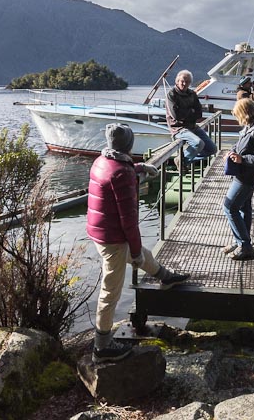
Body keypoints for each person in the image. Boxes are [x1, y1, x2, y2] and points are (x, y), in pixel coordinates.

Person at [86, 123, 190, 363]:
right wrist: (135, 252)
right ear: (128, 145)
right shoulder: (122, 173)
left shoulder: (101, 160)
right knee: (110, 291)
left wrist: (139, 167)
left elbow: (117, 170)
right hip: (113, 237)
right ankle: (101, 347)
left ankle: (165, 275)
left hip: (98, 230)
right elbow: (129, 222)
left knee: (140, 253)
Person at [221, 98, 254, 261]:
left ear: (245, 113)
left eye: (238, 115)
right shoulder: (250, 126)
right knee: (244, 208)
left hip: (247, 177)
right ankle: (240, 242)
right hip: (242, 173)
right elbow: (240, 145)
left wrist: (242, 159)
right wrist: (231, 153)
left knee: (229, 206)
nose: (238, 119)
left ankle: (245, 245)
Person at [166, 69, 217, 168]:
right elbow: (176, 116)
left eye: (188, 82)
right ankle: (183, 160)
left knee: (212, 149)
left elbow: (199, 113)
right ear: (177, 81)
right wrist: (191, 111)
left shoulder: (192, 94)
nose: (185, 84)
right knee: (198, 143)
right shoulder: (171, 95)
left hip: (193, 126)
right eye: (182, 81)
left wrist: (185, 112)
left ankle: (183, 160)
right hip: (178, 129)